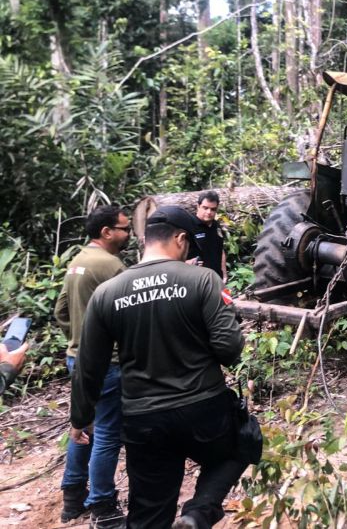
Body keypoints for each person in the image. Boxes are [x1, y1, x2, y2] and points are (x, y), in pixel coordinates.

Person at [70, 205, 246, 529]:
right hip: (204, 409)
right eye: (189, 245)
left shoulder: (107, 294)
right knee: (243, 444)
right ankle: (198, 513)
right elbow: (230, 349)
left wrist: (80, 418)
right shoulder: (204, 280)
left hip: (143, 419)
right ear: (180, 239)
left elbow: (88, 367)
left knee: (149, 512)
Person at [54, 205, 130, 528]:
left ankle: (72, 497)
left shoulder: (76, 262)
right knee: (108, 433)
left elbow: (60, 311)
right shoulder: (111, 266)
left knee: (83, 425)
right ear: (106, 232)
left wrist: (77, 338)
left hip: (77, 358)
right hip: (107, 364)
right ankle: (102, 506)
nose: (129, 234)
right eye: (124, 229)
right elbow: (131, 314)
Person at [188, 191, 227, 283]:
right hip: (196, 280)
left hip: (217, 279)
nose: (209, 212)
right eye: (205, 208)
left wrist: (224, 273)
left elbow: (220, 250)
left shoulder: (216, 225)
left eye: (213, 209)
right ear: (198, 206)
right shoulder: (189, 226)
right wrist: (187, 263)